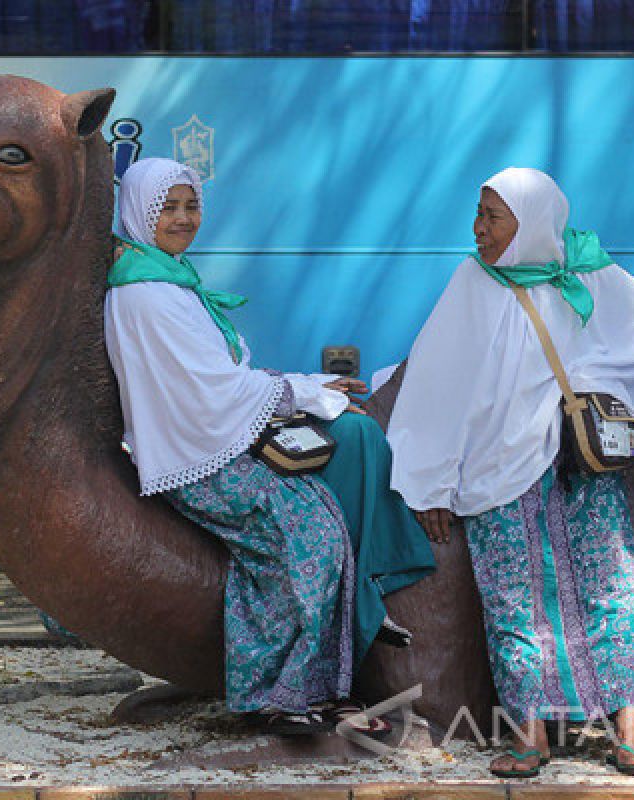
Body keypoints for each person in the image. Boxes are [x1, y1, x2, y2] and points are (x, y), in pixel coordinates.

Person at [103, 158, 434, 735]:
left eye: (191, 205)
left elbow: (216, 379)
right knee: (310, 532)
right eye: (169, 208)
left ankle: (326, 688)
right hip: (195, 460)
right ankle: (278, 696)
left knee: (325, 511)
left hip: (212, 440)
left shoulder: (169, 278)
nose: (184, 218)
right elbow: (213, 391)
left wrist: (299, 390)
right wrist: (301, 390)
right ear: (139, 212)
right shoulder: (147, 295)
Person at [387, 167, 634, 778]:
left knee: (611, 584)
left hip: (582, 458)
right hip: (499, 462)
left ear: (533, 221)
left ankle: (628, 722)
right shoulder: (472, 282)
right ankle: (528, 729)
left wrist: (595, 378)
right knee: (512, 595)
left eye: (493, 216)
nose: (478, 228)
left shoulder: (584, 270)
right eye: (479, 213)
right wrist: (430, 481)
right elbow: (437, 384)